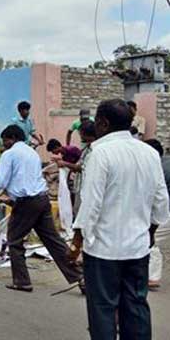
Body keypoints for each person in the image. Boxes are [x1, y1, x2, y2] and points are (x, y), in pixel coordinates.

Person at [69, 99, 169, 340]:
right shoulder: (149, 153)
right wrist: (150, 232)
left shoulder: (99, 153)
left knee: (103, 310)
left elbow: (90, 204)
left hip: (104, 251)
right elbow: (161, 202)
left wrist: (76, 244)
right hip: (137, 249)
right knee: (136, 308)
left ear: (103, 123)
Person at [0, 125, 82, 293]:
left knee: (14, 240)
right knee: (53, 240)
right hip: (41, 200)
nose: (4, 144)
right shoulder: (32, 153)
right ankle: (79, 276)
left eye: (5, 141)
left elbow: (0, 181)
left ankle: (22, 281)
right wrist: (11, 198)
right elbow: (22, 180)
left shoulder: (9, 154)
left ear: (12, 138)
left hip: (27, 203)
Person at [144, 139, 170, 289]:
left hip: (166, 212)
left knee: (152, 240)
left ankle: (152, 277)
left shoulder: (154, 167)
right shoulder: (165, 162)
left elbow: (159, 197)